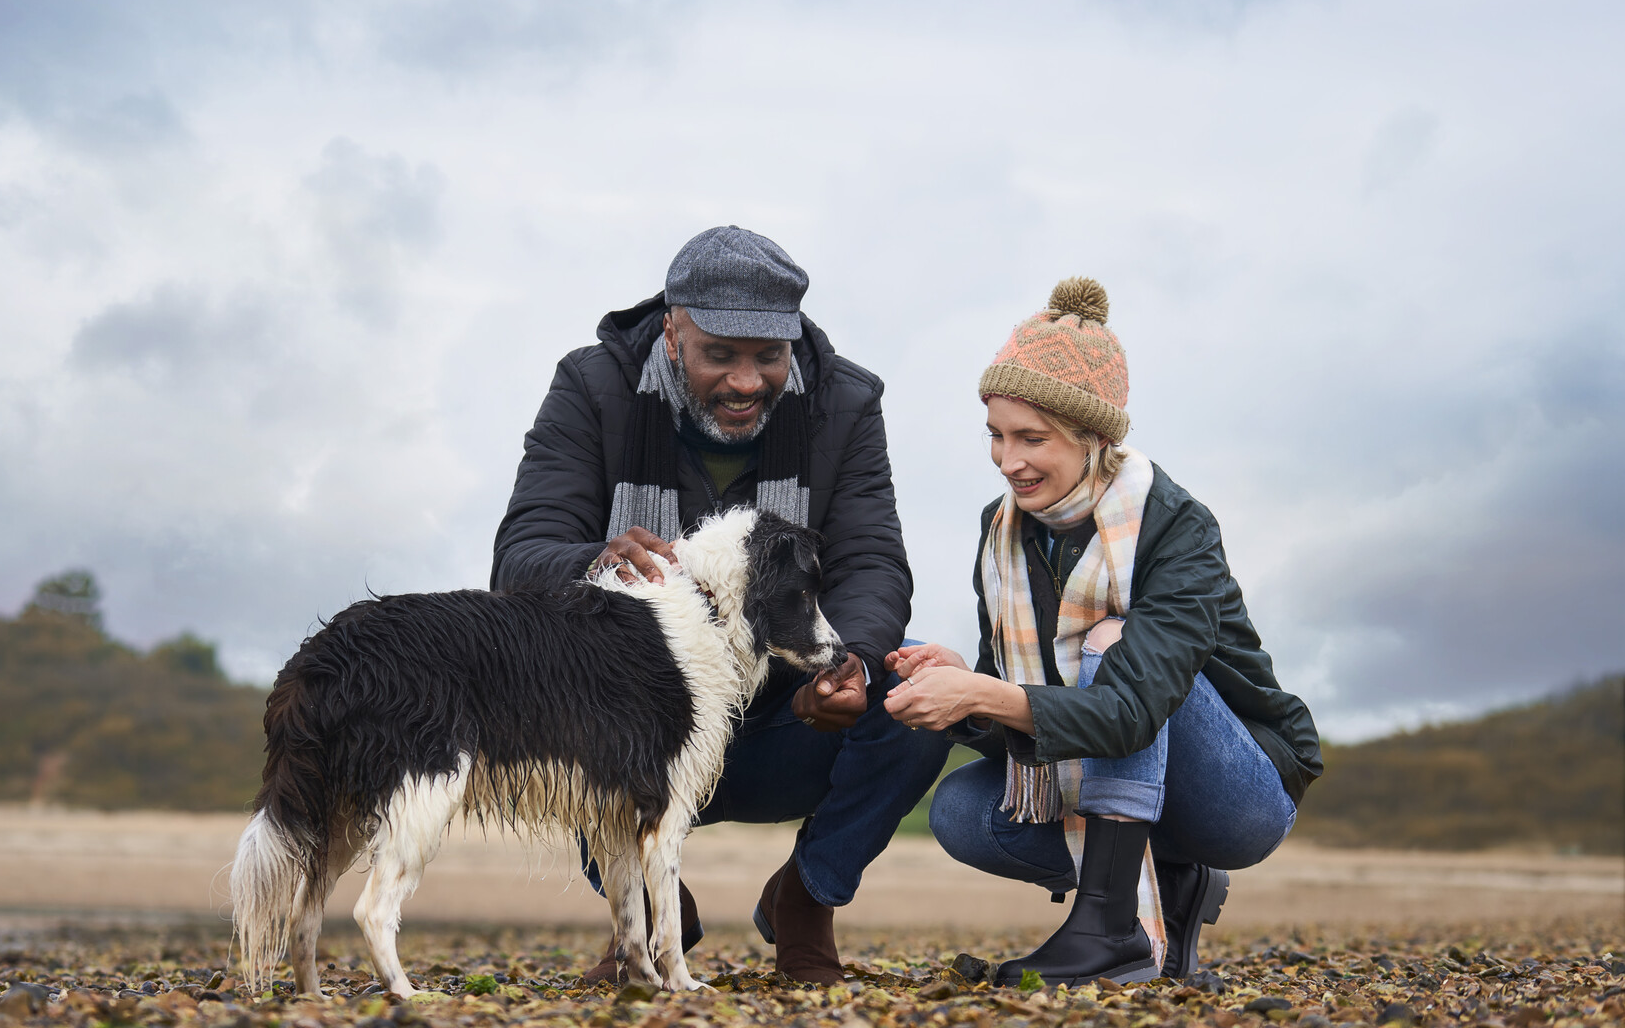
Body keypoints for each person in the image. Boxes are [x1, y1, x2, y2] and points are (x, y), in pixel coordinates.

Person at [492, 225, 949, 984]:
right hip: (636, 717)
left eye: (768, 357)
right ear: (672, 331)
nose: (746, 382)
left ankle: (807, 898)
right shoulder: (590, 386)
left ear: (793, 341)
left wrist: (856, 665)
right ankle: (645, 910)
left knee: (919, 701)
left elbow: (870, 559)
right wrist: (595, 559)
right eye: (721, 355)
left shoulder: (847, 400)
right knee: (546, 684)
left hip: (785, 710)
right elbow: (522, 555)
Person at [883, 277, 1321, 986]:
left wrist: (983, 693)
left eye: (1032, 438)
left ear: (1093, 438)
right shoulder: (1001, 535)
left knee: (1112, 641)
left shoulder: (1176, 526)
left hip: (1236, 793)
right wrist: (966, 683)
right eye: (995, 435)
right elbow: (1033, 720)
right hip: (1109, 773)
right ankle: (1167, 888)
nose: (1007, 460)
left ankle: (1108, 926)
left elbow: (1127, 712)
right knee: (962, 813)